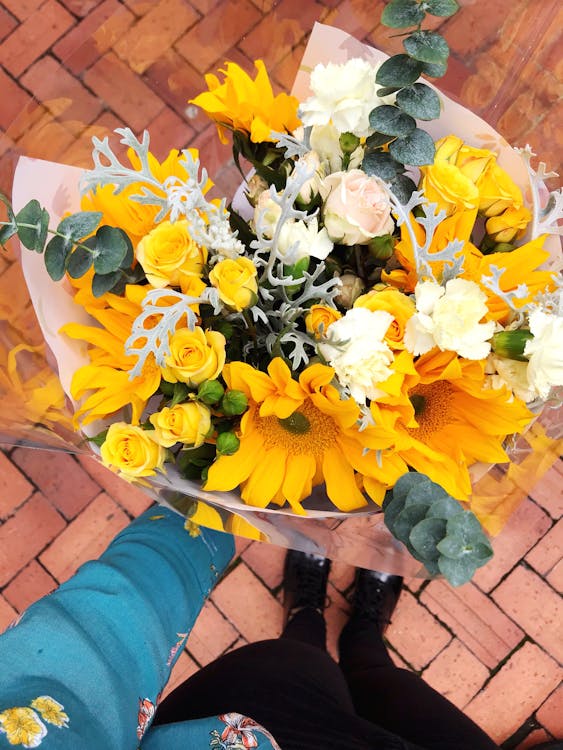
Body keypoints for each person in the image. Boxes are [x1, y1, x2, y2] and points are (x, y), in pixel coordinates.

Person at [0, 507, 559, 750]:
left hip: (261, 725)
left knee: (301, 659)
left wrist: (209, 504)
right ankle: (363, 631)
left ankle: (309, 614)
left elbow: (87, 653)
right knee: (383, 682)